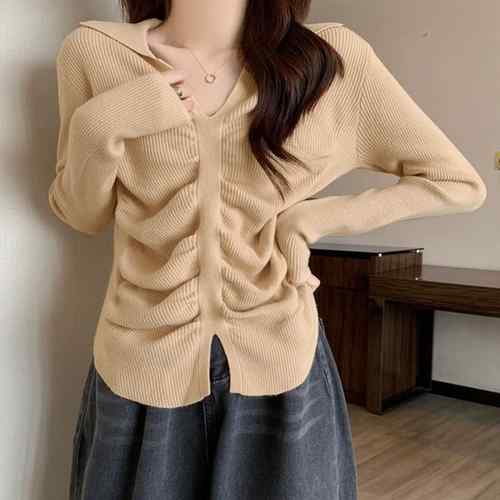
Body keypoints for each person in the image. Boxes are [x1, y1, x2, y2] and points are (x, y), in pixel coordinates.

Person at [48, 1, 487, 499]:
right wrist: (97, 125)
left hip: (280, 360)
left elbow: (454, 181)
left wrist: (313, 218)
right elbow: (83, 214)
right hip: (142, 365)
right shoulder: (94, 53)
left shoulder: (328, 57)